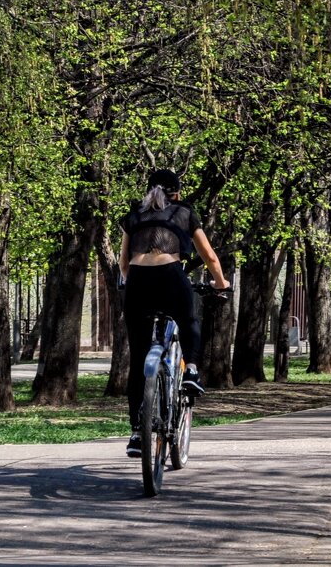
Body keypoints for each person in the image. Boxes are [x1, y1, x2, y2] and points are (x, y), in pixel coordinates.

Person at [119, 169, 229, 458]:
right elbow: (209, 256)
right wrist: (220, 283)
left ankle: (135, 433)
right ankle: (191, 370)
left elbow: (124, 264)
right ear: (177, 193)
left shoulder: (134, 215)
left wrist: (134, 282)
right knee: (189, 320)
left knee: (139, 360)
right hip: (170, 275)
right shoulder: (184, 212)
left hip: (138, 283)